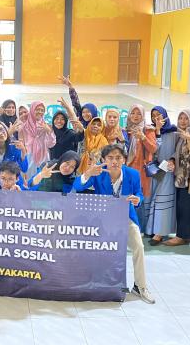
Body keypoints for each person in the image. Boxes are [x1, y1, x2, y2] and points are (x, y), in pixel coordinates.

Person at [73, 144, 155, 304]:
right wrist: (88, 173)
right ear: (104, 160)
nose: (114, 161)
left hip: (126, 216)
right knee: (99, 250)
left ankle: (140, 286)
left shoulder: (132, 174)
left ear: (124, 159)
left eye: (118, 158)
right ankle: (98, 283)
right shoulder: (98, 173)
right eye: (110, 158)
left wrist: (138, 200)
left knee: (139, 246)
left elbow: (139, 193)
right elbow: (77, 187)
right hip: (103, 219)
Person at [164, 110, 190, 246]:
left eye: (186, 118)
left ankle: (182, 236)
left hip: (189, 178)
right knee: (184, 206)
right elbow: (178, 153)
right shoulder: (181, 134)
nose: (182, 121)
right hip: (180, 177)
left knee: (186, 207)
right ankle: (186, 236)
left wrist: (189, 139)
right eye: (180, 118)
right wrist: (172, 160)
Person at [144, 106, 177, 245]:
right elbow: (152, 149)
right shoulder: (150, 131)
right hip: (155, 170)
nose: (156, 117)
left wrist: (173, 159)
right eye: (153, 115)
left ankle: (159, 233)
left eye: (159, 114)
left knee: (161, 201)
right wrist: (156, 130)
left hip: (167, 171)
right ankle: (151, 229)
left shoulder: (174, 132)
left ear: (164, 115)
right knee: (152, 199)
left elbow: (178, 150)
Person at [125, 104, 157, 201]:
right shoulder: (127, 130)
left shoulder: (148, 130)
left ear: (143, 115)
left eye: (139, 114)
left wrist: (143, 138)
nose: (135, 116)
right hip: (127, 169)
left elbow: (153, 149)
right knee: (126, 199)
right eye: (133, 113)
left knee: (139, 200)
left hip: (140, 170)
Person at [19, 101, 56, 177]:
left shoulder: (46, 125)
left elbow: (51, 144)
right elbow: (21, 144)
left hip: (43, 156)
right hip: (29, 156)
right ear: (32, 110)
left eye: (42, 110)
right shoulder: (23, 127)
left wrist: (48, 131)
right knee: (29, 178)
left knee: (43, 178)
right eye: (37, 109)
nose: (40, 112)